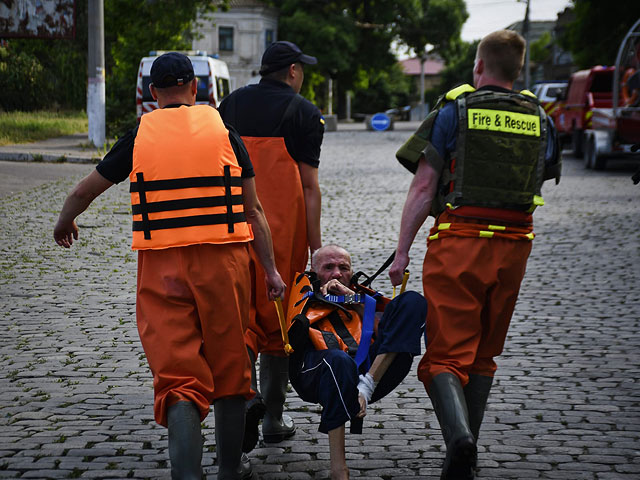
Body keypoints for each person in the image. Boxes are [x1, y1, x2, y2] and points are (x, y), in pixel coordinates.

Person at [53, 52, 286, 480]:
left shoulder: (140, 134)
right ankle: (231, 470)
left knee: (179, 376)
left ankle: (187, 475)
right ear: (196, 89)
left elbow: (86, 190)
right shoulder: (224, 131)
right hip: (224, 262)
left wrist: (65, 221)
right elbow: (253, 211)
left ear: (152, 94)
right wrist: (270, 271)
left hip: (161, 265)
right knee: (230, 369)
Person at [389, 30, 561, 480]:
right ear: (518, 70)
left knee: (444, 355)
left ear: (479, 67)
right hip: (515, 247)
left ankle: (460, 439)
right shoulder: (540, 118)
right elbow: (542, 177)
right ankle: (462, 460)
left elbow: (424, 186)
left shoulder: (455, 111)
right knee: (484, 353)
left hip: (460, 241)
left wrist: (402, 252)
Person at [218, 40, 324, 452]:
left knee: (240, 315)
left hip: (234, 227)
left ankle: (247, 396)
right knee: (280, 321)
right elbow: (310, 187)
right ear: (294, 71)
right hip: (283, 234)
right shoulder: (304, 112)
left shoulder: (230, 105)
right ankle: (274, 419)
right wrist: (315, 248)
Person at [286, 245, 427, 480]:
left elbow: (391, 329)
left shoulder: (360, 295)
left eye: (343, 268)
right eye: (328, 267)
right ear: (314, 271)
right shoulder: (302, 295)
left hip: (371, 372)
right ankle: (339, 470)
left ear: (351, 272)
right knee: (339, 362)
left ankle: (367, 385)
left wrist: (352, 299)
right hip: (318, 373)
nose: (336, 273)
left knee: (412, 301)